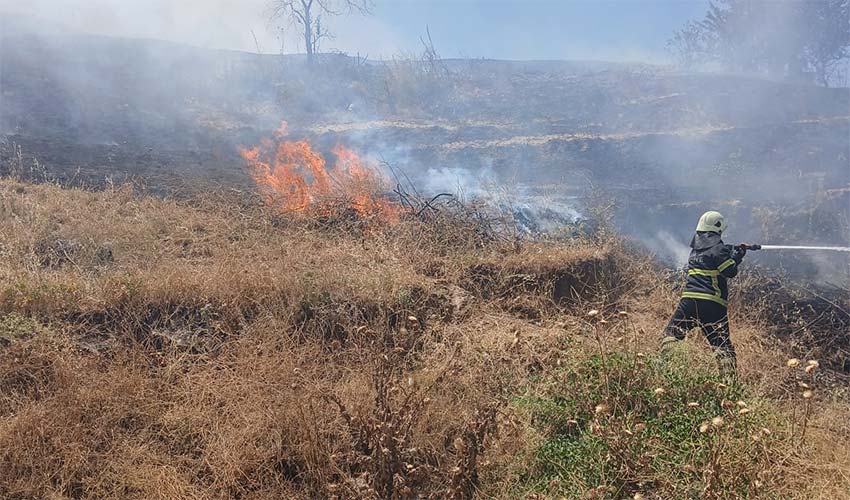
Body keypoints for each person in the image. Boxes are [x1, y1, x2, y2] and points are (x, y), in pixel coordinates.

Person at [661, 211, 747, 380]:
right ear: (718, 230)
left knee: (671, 335)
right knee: (721, 345)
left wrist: (731, 251)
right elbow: (729, 271)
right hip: (712, 305)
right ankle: (729, 385)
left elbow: (713, 257)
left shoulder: (694, 253)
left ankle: (662, 373)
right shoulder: (719, 250)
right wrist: (737, 257)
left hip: (689, 302)